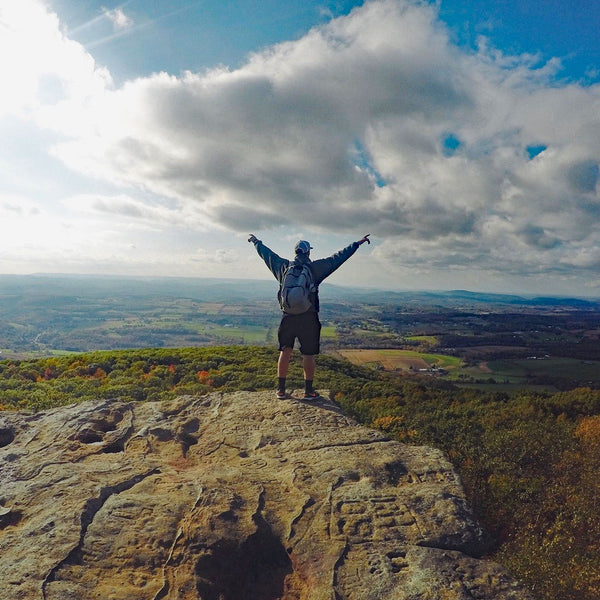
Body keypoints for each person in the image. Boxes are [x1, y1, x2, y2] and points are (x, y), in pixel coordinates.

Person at [248, 233, 371, 400]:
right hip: (308, 317)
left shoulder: (283, 267)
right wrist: (357, 243)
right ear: (308, 253)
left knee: (285, 351)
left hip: (288, 316)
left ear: (295, 252)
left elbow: (266, 254)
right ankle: (308, 392)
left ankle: (281, 390)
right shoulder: (315, 269)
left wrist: (256, 242)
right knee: (308, 354)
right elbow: (338, 258)